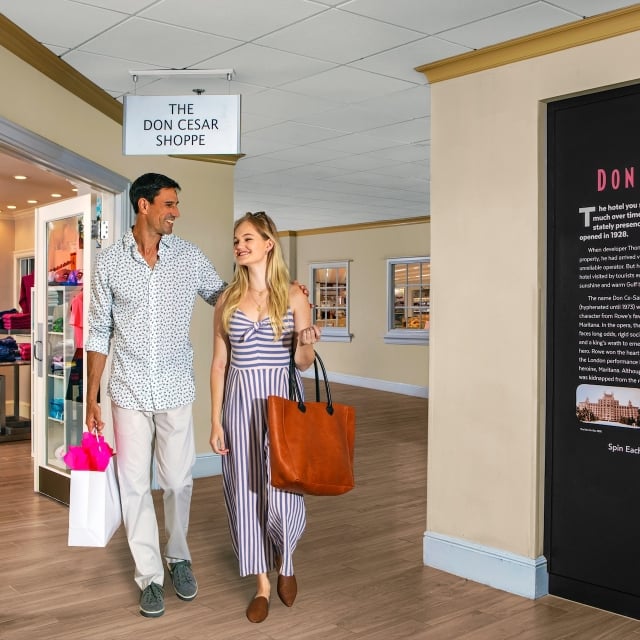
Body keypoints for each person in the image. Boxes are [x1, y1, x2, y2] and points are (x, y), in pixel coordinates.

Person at [85, 173, 227, 618]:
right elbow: (97, 330)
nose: (176, 213)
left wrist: (275, 291)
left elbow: (222, 294)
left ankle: (178, 556)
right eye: (169, 204)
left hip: (175, 389)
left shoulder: (188, 257)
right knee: (134, 486)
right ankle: (149, 576)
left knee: (179, 480)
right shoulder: (108, 263)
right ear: (144, 205)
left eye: (177, 204)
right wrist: (93, 395)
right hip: (125, 391)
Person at [210, 211, 321, 624]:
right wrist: (215, 420)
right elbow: (219, 364)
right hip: (239, 404)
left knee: (283, 488)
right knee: (245, 492)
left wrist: (306, 341)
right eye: (236, 240)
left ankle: (287, 559)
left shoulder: (294, 296)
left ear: (268, 243)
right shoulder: (226, 299)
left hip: (281, 401)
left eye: (247, 239)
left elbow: (303, 363)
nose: (239, 246)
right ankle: (261, 583)